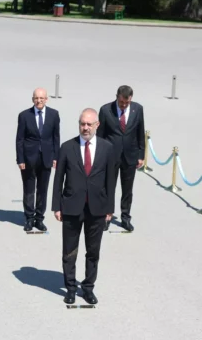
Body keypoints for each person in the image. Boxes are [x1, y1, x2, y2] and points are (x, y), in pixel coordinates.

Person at [52, 108, 115, 305]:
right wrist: (56, 206)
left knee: (93, 251)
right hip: (71, 207)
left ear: (97, 125)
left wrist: (110, 209)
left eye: (89, 124)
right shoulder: (67, 147)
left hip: (97, 208)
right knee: (69, 251)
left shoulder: (107, 148)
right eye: (82, 124)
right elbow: (58, 178)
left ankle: (88, 288)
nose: (85, 127)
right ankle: (70, 288)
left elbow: (111, 181)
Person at [97, 85, 145, 232]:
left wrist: (141, 155)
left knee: (127, 189)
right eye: (122, 102)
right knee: (108, 187)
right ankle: (106, 216)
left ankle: (125, 217)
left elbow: (140, 132)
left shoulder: (138, 109)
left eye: (127, 102)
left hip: (130, 156)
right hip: (110, 156)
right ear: (117, 96)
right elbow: (100, 135)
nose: (124, 105)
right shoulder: (106, 110)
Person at [16, 88, 61, 232]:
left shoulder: (54, 115)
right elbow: (20, 139)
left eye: (41, 98)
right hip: (29, 159)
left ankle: (39, 218)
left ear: (46, 99)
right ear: (32, 99)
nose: (39, 101)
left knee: (43, 190)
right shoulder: (24, 115)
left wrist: (56, 157)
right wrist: (20, 159)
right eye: (36, 98)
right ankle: (29, 218)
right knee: (29, 190)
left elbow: (56, 137)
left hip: (46, 158)